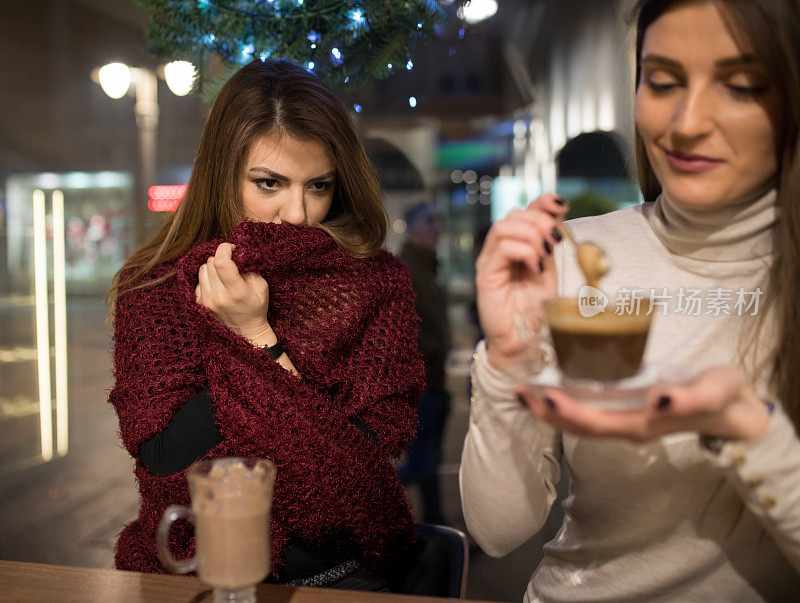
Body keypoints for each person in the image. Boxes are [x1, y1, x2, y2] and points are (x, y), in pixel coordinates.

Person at [460, 0, 800, 601]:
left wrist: (745, 428)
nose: (687, 122)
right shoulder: (576, 256)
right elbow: (497, 531)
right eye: (663, 82)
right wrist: (509, 357)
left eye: (740, 86)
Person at [106, 59, 427, 591]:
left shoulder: (373, 285)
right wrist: (293, 385)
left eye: (318, 185)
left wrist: (252, 336)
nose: (297, 212)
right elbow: (165, 457)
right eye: (269, 182)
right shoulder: (155, 288)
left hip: (338, 579)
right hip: (188, 575)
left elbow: (357, 487)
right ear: (222, 175)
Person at [396, 201, 451, 525]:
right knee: (419, 465)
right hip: (422, 384)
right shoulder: (406, 268)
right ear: (414, 227)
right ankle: (366, 503)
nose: (437, 227)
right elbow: (404, 329)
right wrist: (431, 353)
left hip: (435, 380)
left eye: (438, 220)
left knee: (431, 464)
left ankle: (435, 524)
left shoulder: (428, 265)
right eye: (429, 221)